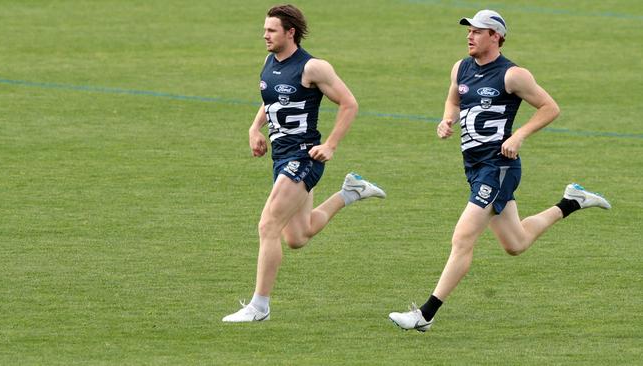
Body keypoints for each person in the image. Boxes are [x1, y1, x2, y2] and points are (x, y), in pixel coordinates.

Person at [389, 9, 611, 332]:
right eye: (469, 30)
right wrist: (446, 119)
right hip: (475, 168)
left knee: (463, 237)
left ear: (495, 37)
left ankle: (424, 314)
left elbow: (551, 108)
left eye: (478, 31)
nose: (469, 36)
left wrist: (519, 135)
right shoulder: (461, 68)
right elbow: (453, 100)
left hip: (499, 167)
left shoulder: (512, 75)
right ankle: (572, 201)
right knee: (515, 243)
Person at [223, 4, 385, 323]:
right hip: (281, 157)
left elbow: (350, 104)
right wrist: (255, 128)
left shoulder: (313, 68)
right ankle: (350, 192)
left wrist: (330, 145)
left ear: (290, 33)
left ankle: (259, 306)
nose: (264, 35)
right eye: (265, 29)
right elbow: (269, 100)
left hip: (303, 156)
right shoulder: (270, 62)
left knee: (268, 224)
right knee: (298, 236)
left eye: (271, 30)